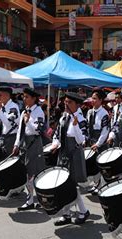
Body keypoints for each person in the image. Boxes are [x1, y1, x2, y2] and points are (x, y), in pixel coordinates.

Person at [50, 92, 91, 226]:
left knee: (71, 185)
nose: (66, 104)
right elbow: (57, 134)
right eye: (65, 102)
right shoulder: (64, 117)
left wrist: (75, 126)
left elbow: (82, 141)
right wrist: (55, 144)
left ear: (77, 105)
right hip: (64, 154)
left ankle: (81, 212)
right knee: (64, 184)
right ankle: (67, 214)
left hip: (74, 154)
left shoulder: (81, 119)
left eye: (69, 102)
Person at [13, 88, 46, 210]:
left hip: (35, 143)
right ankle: (30, 199)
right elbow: (20, 131)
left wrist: (28, 121)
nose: (24, 99)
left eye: (26, 97)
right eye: (23, 96)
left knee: (35, 173)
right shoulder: (24, 112)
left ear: (33, 98)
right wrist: (16, 144)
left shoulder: (39, 112)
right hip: (25, 144)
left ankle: (40, 199)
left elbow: (38, 130)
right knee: (28, 173)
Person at [87, 89, 110, 194]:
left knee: (100, 165)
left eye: (95, 98)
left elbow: (105, 131)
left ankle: (101, 186)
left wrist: (98, 143)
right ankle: (96, 184)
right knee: (93, 164)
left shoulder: (104, 114)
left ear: (101, 100)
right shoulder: (89, 112)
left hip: (100, 143)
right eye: (92, 98)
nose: (93, 100)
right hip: (91, 141)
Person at [0, 86, 20, 154]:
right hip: (3, 138)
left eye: (0, 95)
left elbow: (8, 125)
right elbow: (0, 125)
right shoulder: (2, 107)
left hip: (11, 138)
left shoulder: (13, 107)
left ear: (7, 95)